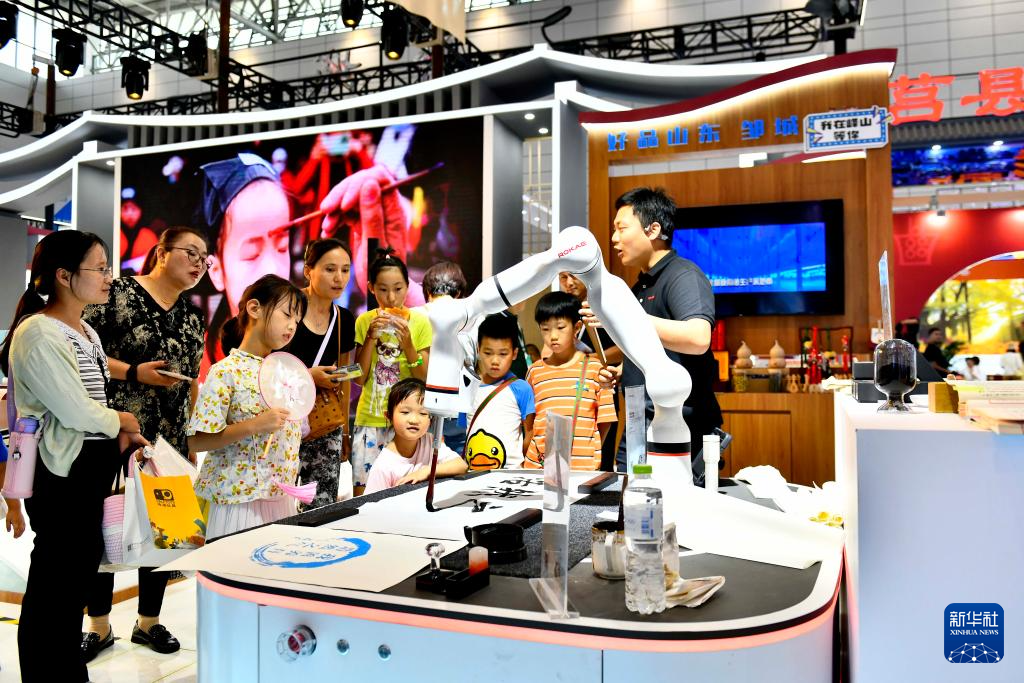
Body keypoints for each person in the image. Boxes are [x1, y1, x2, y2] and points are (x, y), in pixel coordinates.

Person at [0, 230, 145, 683]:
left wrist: (119, 434)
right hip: (60, 471)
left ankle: (65, 672)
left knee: (73, 581)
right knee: (55, 584)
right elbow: (75, 409)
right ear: (64, 276)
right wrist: (122, 419)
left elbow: (90, 404)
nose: (108, 276)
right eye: (99, 268)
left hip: (88, 467)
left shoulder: (86, 331)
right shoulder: (38, 332)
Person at [79, 227, 208, 662]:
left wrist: (189, 437)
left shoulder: (193, 316)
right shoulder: (116, 295)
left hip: (168, 440)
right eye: (191, 253)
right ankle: (98, 625)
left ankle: (148, 622)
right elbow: (87, 355)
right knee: (106, 527)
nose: (199, 264)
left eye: (205, 259)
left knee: (166, 531)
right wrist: (135, 372)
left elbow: (191, 381)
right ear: (161, 252)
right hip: (113, 434)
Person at [586, 187, 722, 484]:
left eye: (622, 228)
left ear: (653, 229)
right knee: (633, 504)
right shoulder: (640, 286)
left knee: (673, 508)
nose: (614, 238)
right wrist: (624, 371)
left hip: (678, 433)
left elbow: (698, 338)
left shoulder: (683, 275)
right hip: (639, 425)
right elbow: (651, 348)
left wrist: (627, 316)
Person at [187, 275, 306, 539]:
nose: (292, 325)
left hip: (282, 499)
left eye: (297, 320)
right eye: (287, 314)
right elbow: (196, 441)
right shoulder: (225, 371)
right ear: (254, 308)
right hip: (237, 501)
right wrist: (255, 425)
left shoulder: (286, 373)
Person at [195, 154, 293, 372]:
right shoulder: (199, 368)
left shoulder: (308, 350)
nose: (272, 269)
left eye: (282, 247)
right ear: (217, 270)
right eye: (251, 254)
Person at [283, 239, 356, 510]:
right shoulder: (286, 309)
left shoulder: (344, 319)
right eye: (330, 269)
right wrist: (308, 375)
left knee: (321, 504)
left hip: (325, 422)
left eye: (345, 270)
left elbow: (344, 378)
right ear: (308, 270)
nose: (339, 278)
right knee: (276, 501)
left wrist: (345, 432)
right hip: (282, 419)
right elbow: (266, 365)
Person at [351, 251, 432, 494]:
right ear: (371, 288)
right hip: (370, 419)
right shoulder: (364, 321)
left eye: (398, 288)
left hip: (408, 421)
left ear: (408, 286)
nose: (391, 297)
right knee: (363, 497)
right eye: (383, 289)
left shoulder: (420, 322)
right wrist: (369, 338)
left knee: (404, 493)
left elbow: (424, 377)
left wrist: (408, 344)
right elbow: (359, 378)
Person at [526, 292, 616, 471]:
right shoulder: (534, 372)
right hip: (539, 468)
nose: (553, 336)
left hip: (582, 468)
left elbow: (605, 419)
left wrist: (589, 451)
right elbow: (529, 422)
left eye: (560, 327)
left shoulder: (595, 369)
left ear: (576, 327)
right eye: (545, 329)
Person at [364, 378, 467, 494]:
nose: (414, 420)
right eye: (405, 412)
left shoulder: (429, 441)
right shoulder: (383, 466)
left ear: (431, 419)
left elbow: (461, 465)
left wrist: (426, 471)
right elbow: (372, 503)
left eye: (423, 413)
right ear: (389, 416)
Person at [465, 314, 536, 470]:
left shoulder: (521, 388)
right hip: (473, 474)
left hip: (511, 474)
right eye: (488, 353)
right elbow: (465, 432)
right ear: (478, 350)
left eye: (503, 354)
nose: (495, 361)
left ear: (514, 353)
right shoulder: (468, 386)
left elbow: (530, 434)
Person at [419, 260, 471, 455]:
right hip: (459, 408)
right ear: (459, 293)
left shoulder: (416, 315)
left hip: (423, 407)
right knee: (459, 464)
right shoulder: (470, 316)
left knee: (424, 463)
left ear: (428, 292)